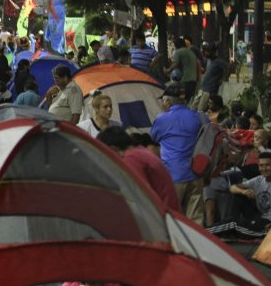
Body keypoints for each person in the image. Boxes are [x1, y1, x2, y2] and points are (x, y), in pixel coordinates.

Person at [150, 83, 206, 224]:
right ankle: (196, 245)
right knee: (196, 218)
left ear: (168, 102)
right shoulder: (199, 117)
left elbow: (153, 139)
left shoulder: (162, 119)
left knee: (172, 217)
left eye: (163, 101)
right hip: (196, 172)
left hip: (173, 174)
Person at [208, 151, 271, 238]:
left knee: (232, 224)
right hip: (258, 216)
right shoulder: (259, 180)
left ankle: (205, 234)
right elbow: (232, 187)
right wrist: (243, 191)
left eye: (267, 165)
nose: (264, 169)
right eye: (261, 165)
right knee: (239, 195)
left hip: (268, 223)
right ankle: (223, 227)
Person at [97, 126, 179, 214]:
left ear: (113, 149)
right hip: (168, 213)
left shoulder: (131, 159)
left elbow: (138, 196)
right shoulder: (140, 151)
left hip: (162, 218)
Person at [192, 43, 227, 112]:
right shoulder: (208, 60)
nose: (204, 53)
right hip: (203, 88)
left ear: (212, 52)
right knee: (193, 107)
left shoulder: (219, 61)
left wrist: (223, 78)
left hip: (209, 89)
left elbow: (229, 67)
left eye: (206, 52)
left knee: (201, 109)